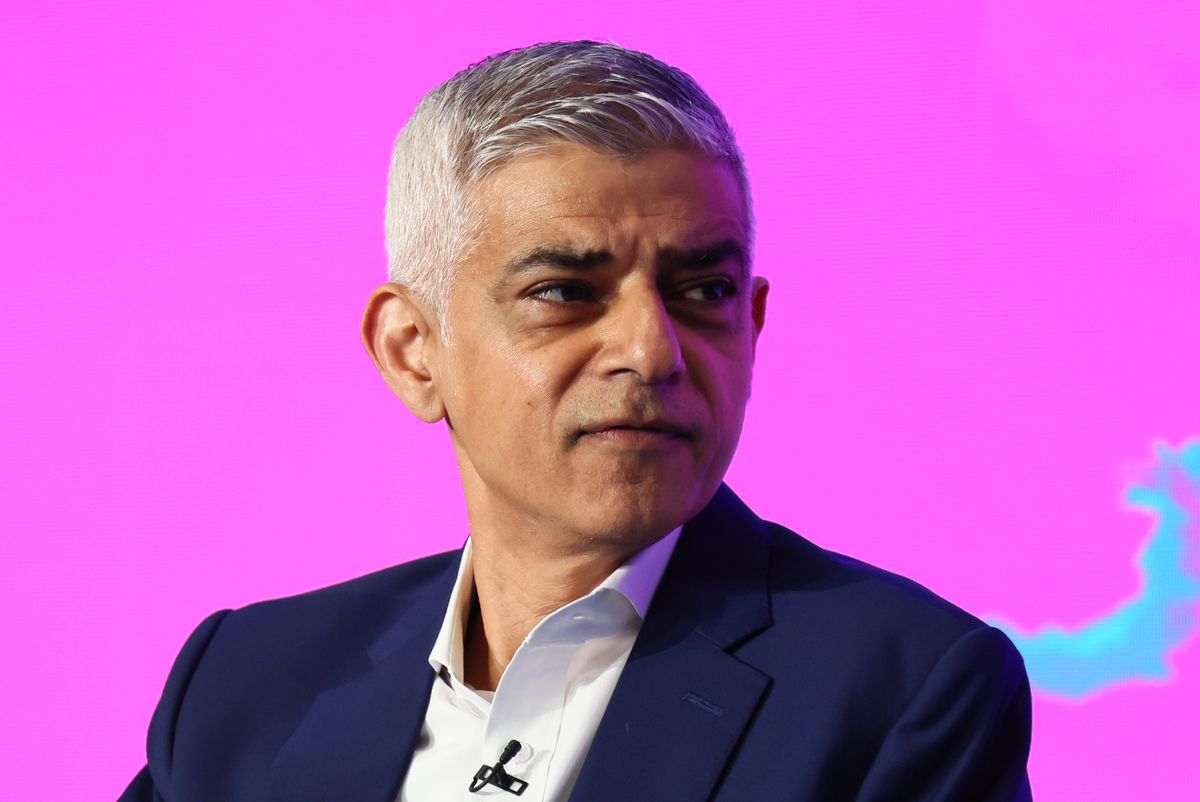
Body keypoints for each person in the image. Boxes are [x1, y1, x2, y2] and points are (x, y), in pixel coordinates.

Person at [120, 40, 1033, 801]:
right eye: (565, 292)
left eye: (703, 292)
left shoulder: (908, 689)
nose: (653, 349)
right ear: (412, 350)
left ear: (751, 325)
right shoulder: (245, 683)